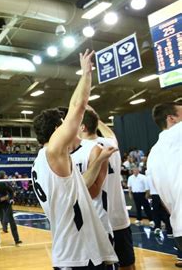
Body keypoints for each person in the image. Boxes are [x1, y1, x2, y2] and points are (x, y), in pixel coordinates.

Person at [32, 49, 118, 269]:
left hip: (76, 252)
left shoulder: (48, 161)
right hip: (76, 254)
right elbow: (77, 107)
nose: (71, 127)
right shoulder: (53, 152)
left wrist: (98, 161)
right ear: (56, 130)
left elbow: (81, 185)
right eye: (64, 123)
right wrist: (86, 73)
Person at [84, 108, 136, 270]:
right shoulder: (111, 144)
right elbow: (111, 135)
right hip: (120, 218)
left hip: (98, 222)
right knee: (128, 264)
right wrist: (96, 117)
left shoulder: (81, 150)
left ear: (82, 127)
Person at [147, 102, 182, 267]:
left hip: (178, 226)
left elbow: (160, 196)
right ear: (172, 119)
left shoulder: (153, 153)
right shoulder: (178, 132)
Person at [0, 170, 22, 246]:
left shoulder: (3, 183)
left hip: (5, 203)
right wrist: (2, 198)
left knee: (11, 219)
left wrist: (11, 199)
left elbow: (11, 192)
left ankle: (16, 239)